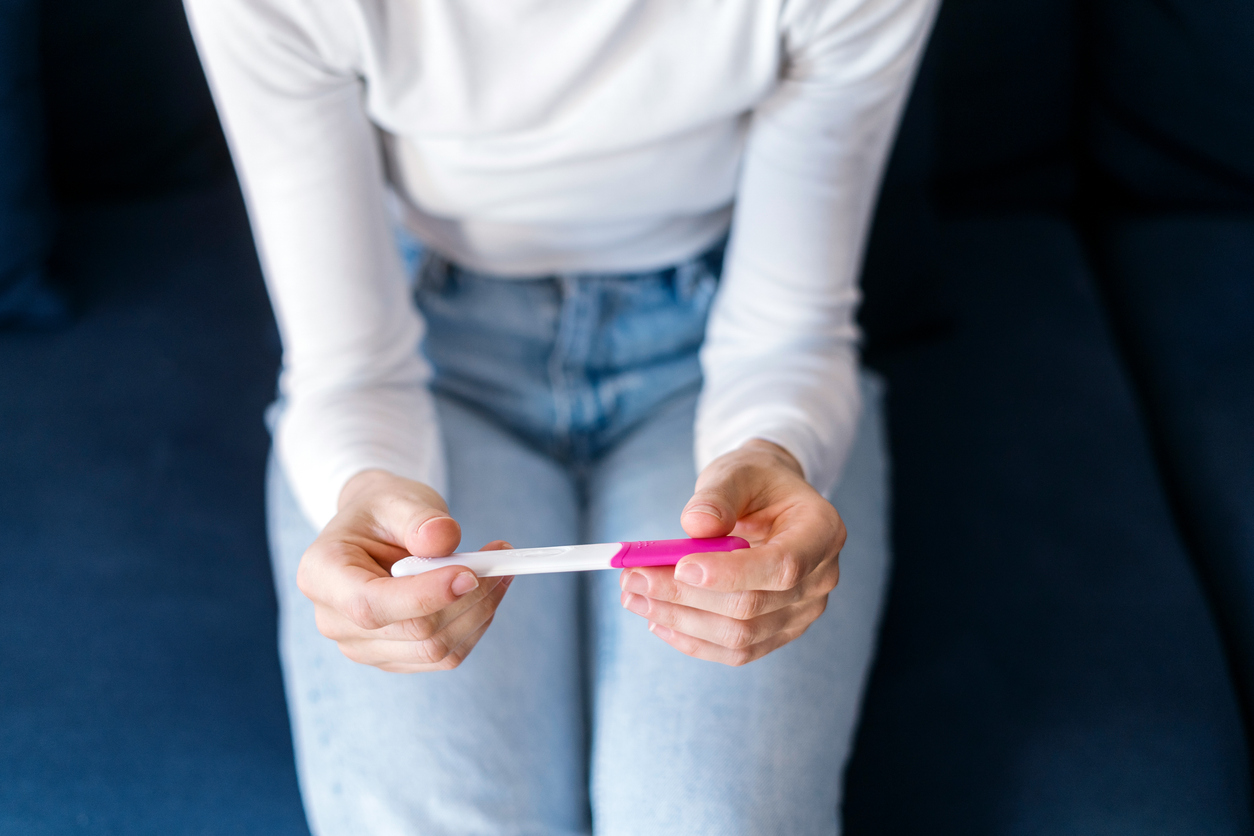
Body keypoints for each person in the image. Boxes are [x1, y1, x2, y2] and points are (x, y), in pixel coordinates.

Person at [186, 0, 936, 832]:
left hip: (719, 346)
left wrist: (778, 449)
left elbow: (788, 333)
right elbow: (354, 366)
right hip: (430, 361)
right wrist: (363, 484)